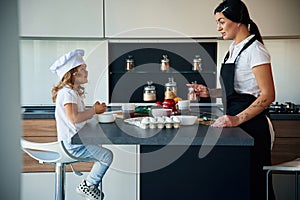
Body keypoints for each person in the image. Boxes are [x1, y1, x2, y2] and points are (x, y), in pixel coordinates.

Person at [188, 1, 276, 199]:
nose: (218, 27)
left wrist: (236, 119)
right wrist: (209, 92)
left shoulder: (256, 51)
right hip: (236, 123)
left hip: (252, 125)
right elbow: (237, 90)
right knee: (237, 181)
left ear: (237, 22)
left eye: (221, 21)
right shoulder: (233, 49)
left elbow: (268, 95)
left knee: (254, 184)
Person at [50, 49, 113, 200]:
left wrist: (94, 112)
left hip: (74, 142)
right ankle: (88, 185)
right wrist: (93, 111)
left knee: (101, 152)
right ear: (72, 74)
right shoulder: (67, 93)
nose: (87, 72)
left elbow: (78, 118)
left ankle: (89, 185)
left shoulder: (71, 92)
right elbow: (74, 118)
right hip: (72, 145)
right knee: (106, 156)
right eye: (82, 69)